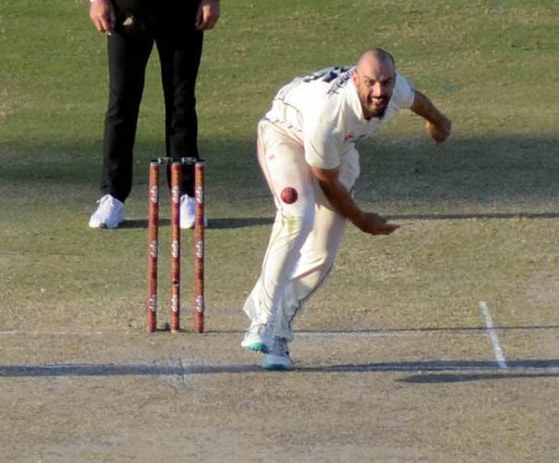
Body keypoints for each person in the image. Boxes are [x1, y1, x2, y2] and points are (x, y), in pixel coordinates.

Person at [241, 49, 452, 369]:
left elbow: (416, 100)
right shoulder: (329, 115)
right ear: (355, 80)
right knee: (297, 215)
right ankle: (264, 319)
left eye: (386, 82)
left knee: (323, 252)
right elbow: (327, 183)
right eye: (370, 83)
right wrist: (362, 220)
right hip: (284, 135)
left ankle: (281, 327)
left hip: (339, 148)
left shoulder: (396, 91)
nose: (379, 92)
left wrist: (438, 120)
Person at [87, 0, 220, 229]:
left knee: (182, 101)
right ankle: (113, 196)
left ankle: (185, 195)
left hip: (181, 11)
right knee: (122, 102)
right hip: (127, 9)